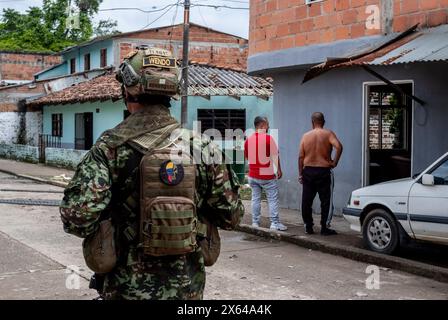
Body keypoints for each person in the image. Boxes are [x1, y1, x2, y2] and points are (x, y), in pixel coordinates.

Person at [59, 46, 244, 300]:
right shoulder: (202, 147)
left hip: (125, 290)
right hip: (187, 292)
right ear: (173, 92)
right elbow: (232, 215)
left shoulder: (109, 148)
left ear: (127, 90)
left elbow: (77, 218)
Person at [298, 112, 343, 236]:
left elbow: (301, 157)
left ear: (312, 122)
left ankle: (308, 226)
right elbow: (339, 147)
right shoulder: (328, 134)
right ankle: (324, 227)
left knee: (306, 200)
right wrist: (334, 162)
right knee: (326, 201)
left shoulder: (305, 136)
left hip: (308, 171)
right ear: (323, 122)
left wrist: (301, 174)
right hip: (323, 171)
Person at [244, 116, 287, 231]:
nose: (268, 127)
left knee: (255, 199)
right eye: (267, 124)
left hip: (252, 175)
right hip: (266, 176)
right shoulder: (268, 139)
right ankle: (274, 223)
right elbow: (275, 156)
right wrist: (279, 170)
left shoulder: (248, 140)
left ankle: (255, 222)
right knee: (272, 199)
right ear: (262, 125)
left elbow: (247, 157)